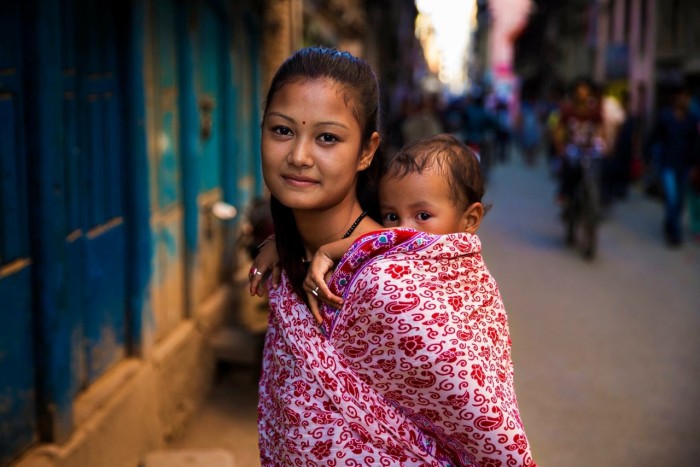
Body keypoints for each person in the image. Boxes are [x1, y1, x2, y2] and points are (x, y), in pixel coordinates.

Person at [255, 47, 536, 466]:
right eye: (282, 131)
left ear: (367, 152)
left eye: (327, 137)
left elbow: (496, 438)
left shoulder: (388, 286)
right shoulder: (293, 260)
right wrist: (285, 242)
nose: (299, 156)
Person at [648, 84, 700, 247]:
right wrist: (648, 157)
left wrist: (695, 165)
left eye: (687, 97)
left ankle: (670, 222)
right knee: (671, 198)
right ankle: (674, 233)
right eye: (681, 96)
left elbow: (695, 144)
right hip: (668, 164)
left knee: (679, 201)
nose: (684, 100)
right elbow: (654, 138)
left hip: (685, 166)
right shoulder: (665, 117)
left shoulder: (692, 119)